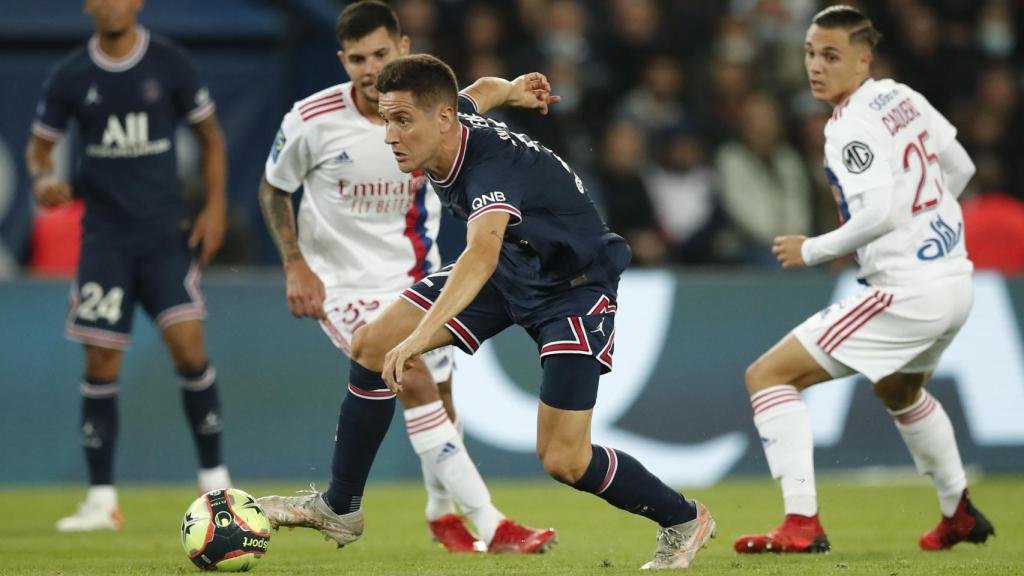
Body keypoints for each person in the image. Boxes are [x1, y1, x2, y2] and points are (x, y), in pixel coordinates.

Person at [259, 54, 717, 570]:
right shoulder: (450, 119)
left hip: (572, 286)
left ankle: (683, 518)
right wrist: (517, 88)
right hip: (514, 269)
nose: (390, 135)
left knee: (565, 459)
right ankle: (341, 508)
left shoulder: (489, 167)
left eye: (402, 120)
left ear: (442, 120)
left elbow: (481, 254)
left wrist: (417, 341)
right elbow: (483, 89)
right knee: (370, 344)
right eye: (387, 118)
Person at [257, 1, 555, 554]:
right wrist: (295, 263)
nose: (369, 69)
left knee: (439, 394)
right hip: (343, 286)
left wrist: (513, 89)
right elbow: (274, 187)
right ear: (341, 59)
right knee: (409, 373)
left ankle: (442, 514)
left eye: (380, 54)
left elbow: (479, 92)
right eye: (356, 59)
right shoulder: (311, 119)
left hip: (412, 276)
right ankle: (492, 524)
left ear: (404, 47)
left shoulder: (428, 108)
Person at [734, 5, 995, 554]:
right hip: (956, 281)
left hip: (908, 289)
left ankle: (801, 522)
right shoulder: (902, 97)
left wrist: (812, 249)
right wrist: (934, 228)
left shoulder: (848, 124)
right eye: (809, 53)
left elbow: (877, 214)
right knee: (899, 388)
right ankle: (960, 512)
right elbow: (962, 168)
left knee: (768, 376)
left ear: (863, 59)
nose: (816, 66)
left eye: (830, 55)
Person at [26, 0, 231, 531]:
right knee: (100, 365)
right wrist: (43, 179)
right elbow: (38, 149)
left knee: (189, 347)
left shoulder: (169, 63)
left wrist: (213, 207)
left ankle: (215, 480)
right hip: (105, 241)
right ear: (88, 4)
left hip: (164, 236)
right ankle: (101, 499)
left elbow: (211, 138)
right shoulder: (72, 75)